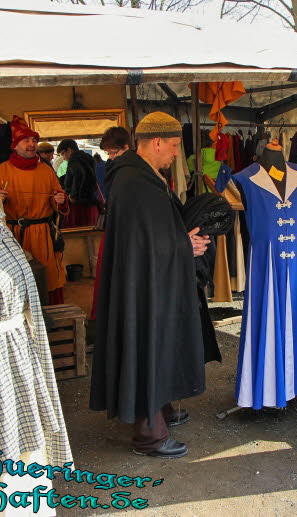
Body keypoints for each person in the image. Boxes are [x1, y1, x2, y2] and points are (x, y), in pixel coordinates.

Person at [90, 112, 210, 459]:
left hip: (154, 278)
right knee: (146, 342)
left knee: (161, 340)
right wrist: (183, 245)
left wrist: (182, 240)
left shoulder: (144, 176)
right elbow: (140, 244)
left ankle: (160, 408)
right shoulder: (133, 182)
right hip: (141, 286)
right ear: (156, 142)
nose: (176, 154)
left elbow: (154, 233)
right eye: (173, 146)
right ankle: (149, 435)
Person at [0, 115, 69, 305]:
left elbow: (59, 204)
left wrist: (60, 200)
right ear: (15, 145)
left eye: (34, 140)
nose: (31, 144)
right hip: (13, 237)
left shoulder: (46, 171)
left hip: (43, 237)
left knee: (47, 277)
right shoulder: (1, 172)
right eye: (26, 140)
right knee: (16, 283)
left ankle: (51, 324)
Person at [90, 126, 131, 321]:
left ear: (126, 147)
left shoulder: (131, 169)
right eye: (108, 153)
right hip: (116, 227)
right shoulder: (109, 168)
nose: (111, 156)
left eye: (114, 152)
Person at [62, 149, 100, 228]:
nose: (63, 158)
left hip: (77, 205)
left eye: (63, 153)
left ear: (69, 150)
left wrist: (73, 195)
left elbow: (79, 174)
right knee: (90, 229)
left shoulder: (74, 159)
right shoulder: (88, 158)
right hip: (91, 202)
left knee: (77, 233)